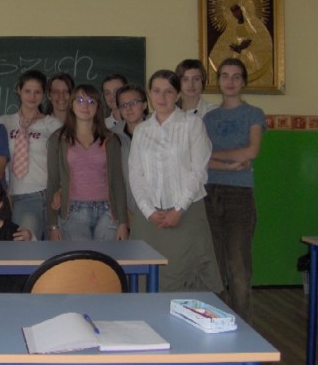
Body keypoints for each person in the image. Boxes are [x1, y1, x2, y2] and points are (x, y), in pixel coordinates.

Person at [129, 70, 223, 293]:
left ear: (178, 94)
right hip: (149, 218)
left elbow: (198, 171)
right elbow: (135, 174)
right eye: (156, 91)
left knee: (185, 277)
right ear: (149, 94)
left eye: (168, 91)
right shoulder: (141, 130)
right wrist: (149, 211)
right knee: (144, 277)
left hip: (186, 213)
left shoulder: (193, 124)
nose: (162, 97)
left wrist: (178, 210)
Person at [203, 58, 266, 323]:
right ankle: (215, 325)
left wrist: (216, 157)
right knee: (214, 268)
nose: (230, 81)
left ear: (243, 82)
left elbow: (252, 151)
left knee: (239, 269)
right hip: (209, 193)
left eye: (236, 76)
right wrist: (229, 163)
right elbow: (201, 159)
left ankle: (243, 333)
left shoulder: (254, 114)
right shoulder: (208, 118)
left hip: (239, 195)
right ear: (218, 81)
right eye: (225, 76)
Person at [46, 84, 129, 241]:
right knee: (81, 257)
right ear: (71, 104)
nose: (85, 106)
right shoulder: (58, 139)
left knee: (105, 257)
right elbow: (52, 182)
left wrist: (123, 222)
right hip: (73, 212)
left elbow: (118, 182)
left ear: (98, 107)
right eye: (80, 100)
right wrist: (53, 225)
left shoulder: (110, 140)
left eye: (91, 101)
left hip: (107, 212)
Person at [0, 70, 62, 239]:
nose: (32, 97)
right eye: (27, 91)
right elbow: (1, 160)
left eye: (37, 92)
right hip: (21, 196)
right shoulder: (4, 122)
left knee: (55, 250)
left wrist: (61, 190)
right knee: (23, 247)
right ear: (19, 90)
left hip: (50, 194)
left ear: (44, 94)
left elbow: (64, 163)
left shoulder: (53, 124)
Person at [111, 84, 149, 226]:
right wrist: (125, 213)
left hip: (158, 211)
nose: (128, 108)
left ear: (144, 105)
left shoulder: (159, 131)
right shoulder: (112, 137)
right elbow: (111, 179)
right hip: (126, 211)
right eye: (123, 105)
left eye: (133, 102)